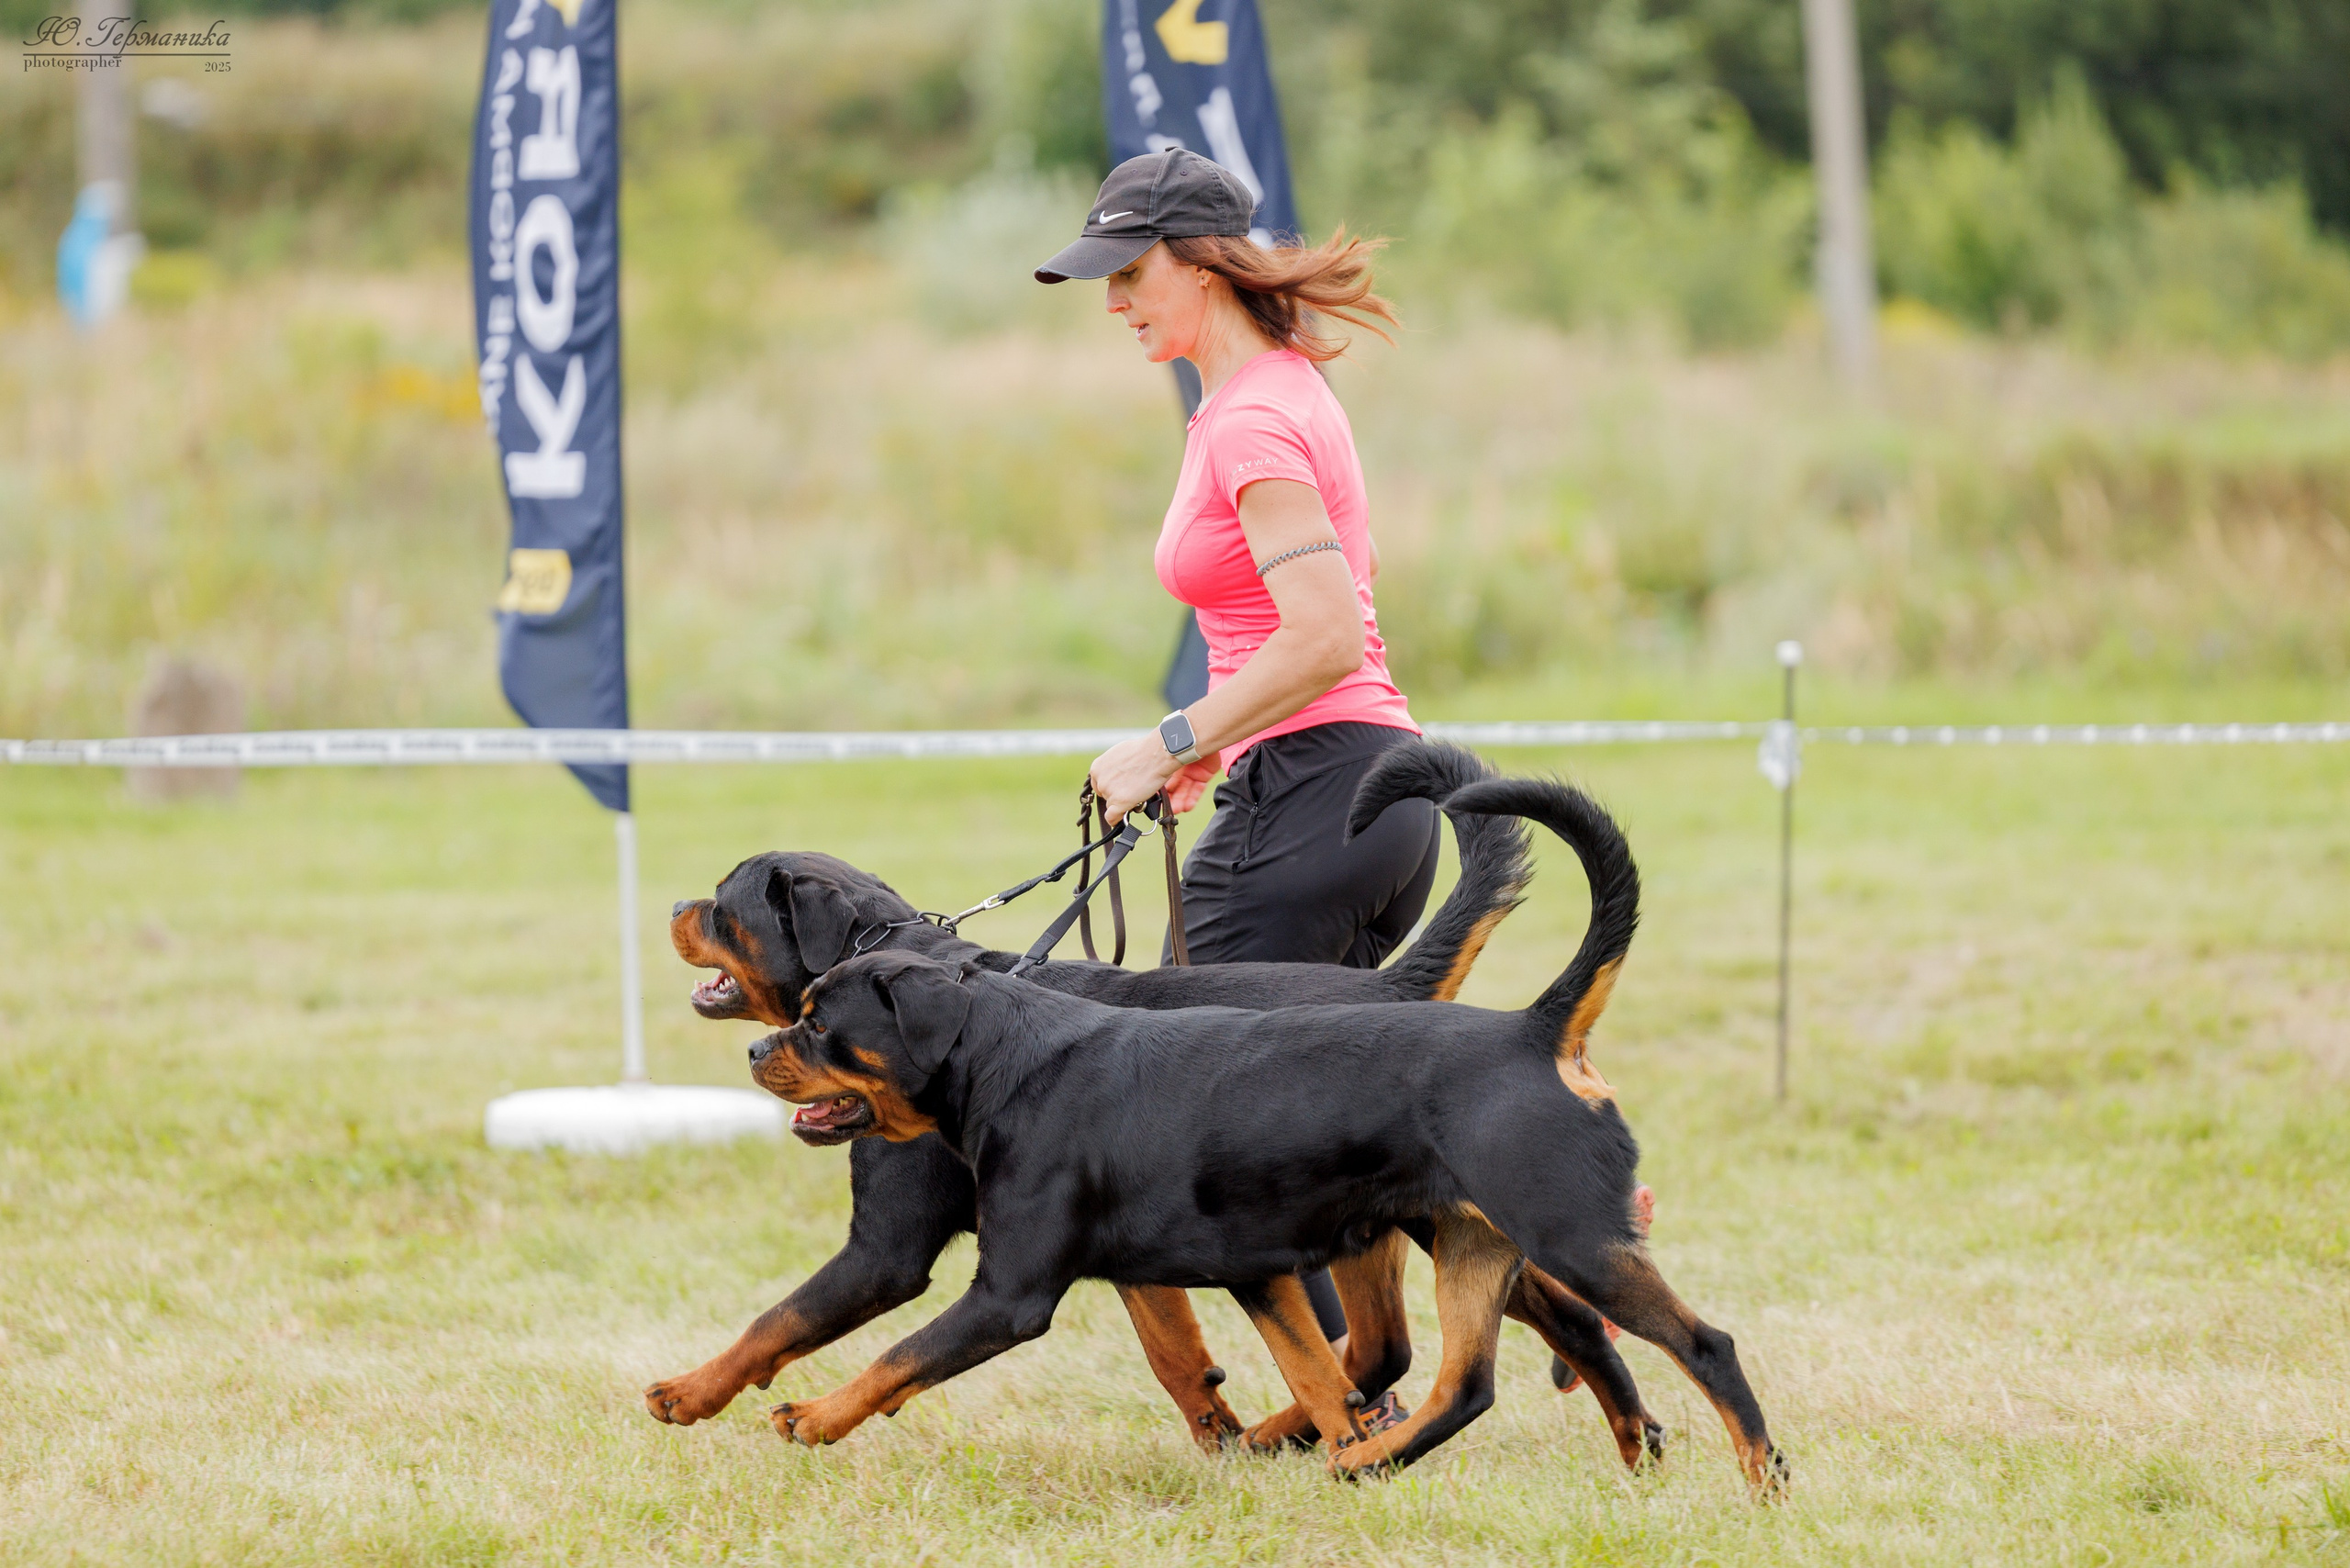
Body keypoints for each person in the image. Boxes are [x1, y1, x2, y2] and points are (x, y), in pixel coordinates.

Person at [1036, 150, 1431, 1419]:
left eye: (1131, 273)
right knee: (1343, 1127)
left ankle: (1350, 1412)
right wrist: (1215, 744)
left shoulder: (1256, 414)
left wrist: (1166, 739)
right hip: (1364, 795)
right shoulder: (1270, 396)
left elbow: (1321, 633)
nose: (1114, 302)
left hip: (1318, 801)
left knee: (1205, 1118)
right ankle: (1382, 1370)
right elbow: (1307, 635)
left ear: (1201, 262)